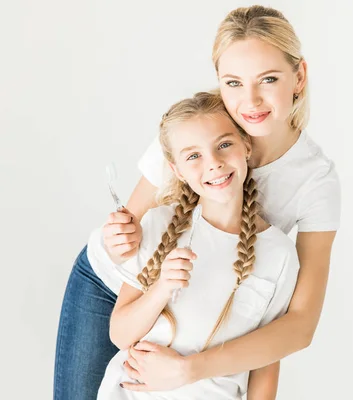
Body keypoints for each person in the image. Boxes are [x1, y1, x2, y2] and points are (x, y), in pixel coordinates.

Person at [54, 5, 340, 398]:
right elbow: (134, 225)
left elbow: (297, 323)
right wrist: (120, 235)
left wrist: (190, 371)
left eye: (269, 79)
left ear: (299, 76)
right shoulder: (198, 124)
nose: (250, 100)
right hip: (116, 284)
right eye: (233, 82)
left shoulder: (314, 181)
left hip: (194, 303)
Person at [97, 91, 299, 400]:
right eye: (194, 156)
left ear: (246, 145)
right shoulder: (157, 226)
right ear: (177, 170)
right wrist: (162, 287)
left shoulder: (279, 254)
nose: (214, 164)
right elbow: (120, 335)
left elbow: (266, 363)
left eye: (224, 145)